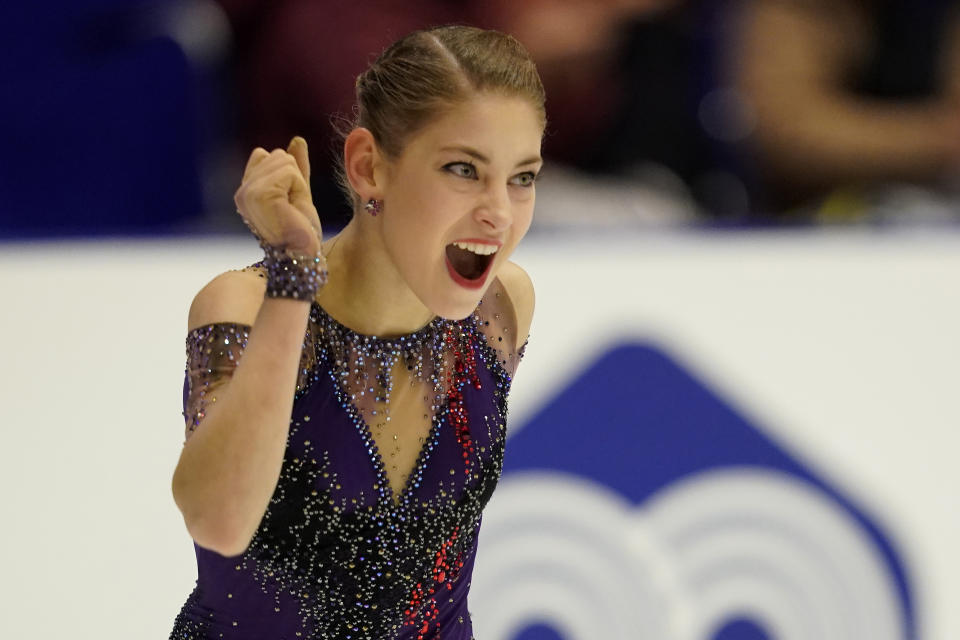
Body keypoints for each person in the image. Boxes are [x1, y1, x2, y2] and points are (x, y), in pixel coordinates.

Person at [168, 25, 543, 639]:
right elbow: (219, 520)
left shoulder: (501, 306)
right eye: (462, 169)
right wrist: (294, 276)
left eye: (522, 177)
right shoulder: (248, 304)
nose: (499, 212)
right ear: (369, 167)